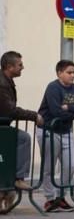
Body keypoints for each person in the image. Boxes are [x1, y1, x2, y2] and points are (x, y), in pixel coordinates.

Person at [36, 60, 74, 213]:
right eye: (69, 72)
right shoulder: (53, 88)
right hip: (48, 130)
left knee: (71, 166)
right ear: (59, 73)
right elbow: (56, 111)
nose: (72, 75)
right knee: (49, 167)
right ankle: (50, 199)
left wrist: (70, 107)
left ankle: (61, 197)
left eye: (73, 72)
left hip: (66, 132)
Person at [0, 51, 43, 209]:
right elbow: (9, 110)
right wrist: (34, 116)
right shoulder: (2, 84)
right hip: (2, 127)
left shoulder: (6, 81)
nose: (22, 67)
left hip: (4, 126)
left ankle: (9, 188)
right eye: (19, 65)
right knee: (23, 138)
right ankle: (18, 178)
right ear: (9, 67)